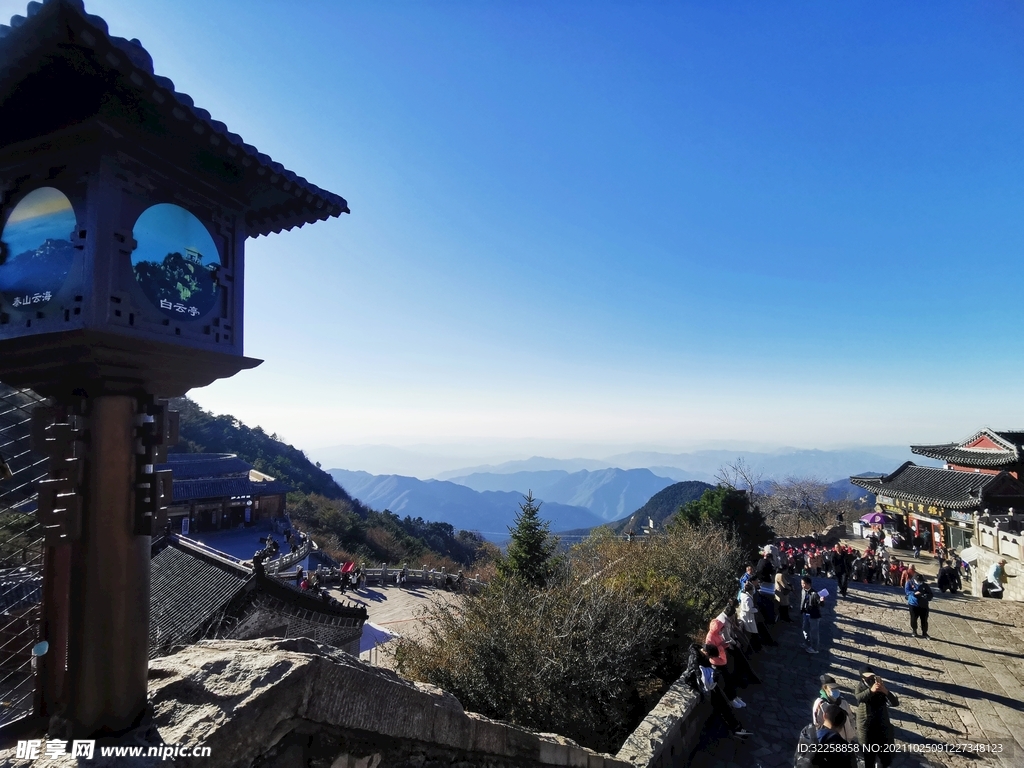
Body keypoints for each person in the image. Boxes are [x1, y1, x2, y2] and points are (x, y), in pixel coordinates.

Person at [695, 644, 753, 738]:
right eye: (710, 656)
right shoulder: (695, 659)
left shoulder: (701, 655)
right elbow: (696, 675)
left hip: (712, 684)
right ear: (706, 653)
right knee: (721, 707)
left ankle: (736, 727)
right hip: (708, 688)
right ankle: (734, 729)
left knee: (723, 705)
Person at [854, 665, 899, 768]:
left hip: (881, 726)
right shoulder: (860, 687)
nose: (870, 679)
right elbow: (859, 697)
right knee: (869, 756)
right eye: (868, 677)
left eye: (872, 677)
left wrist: (885, 692)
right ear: (863, 678)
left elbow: (895, 703)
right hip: (867, 727)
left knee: (886, 757)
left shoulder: (880, 686)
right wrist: (871, 691)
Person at [812, 674, 857, 745]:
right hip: (831, 742)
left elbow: (851, 717)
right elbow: (818, 725)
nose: (835, 690)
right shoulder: (820, 704)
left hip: (846, 741)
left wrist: (852, 731)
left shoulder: (843, 702)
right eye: (832, 688)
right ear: (825, 688)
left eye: (836, 688)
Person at [906, 572, 932, 638]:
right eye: (918, 581)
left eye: (920, 581)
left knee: (924, 619)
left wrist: (926, 596)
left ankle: (924, 632)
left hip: (924, 605)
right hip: (913, 604)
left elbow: (931, 594)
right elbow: (907, 591)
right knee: (913, 618)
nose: (919, 582)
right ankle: (914, 630)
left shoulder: (925, 586)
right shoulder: (909, 583)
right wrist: (914, 593)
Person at [800, 576, 822, 654]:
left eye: (803, 583)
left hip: (813, 616)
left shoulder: (814, 593)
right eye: (801, 583)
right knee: (805, 629)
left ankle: (815, 648)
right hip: (805, 613)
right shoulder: (803, 591)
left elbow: (821, 604)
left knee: (814, 632)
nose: (802, 585)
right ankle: (807, 643)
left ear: (808, 584)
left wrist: (822, 601)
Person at [738, 581, 761, 652]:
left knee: (752, 632)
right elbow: (748, 609)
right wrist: (756, 610)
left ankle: (755, 646)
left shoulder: (744, 594)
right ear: (750, 590)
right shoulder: (747, 598)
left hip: (747, 616)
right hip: (748, 617)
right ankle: (755, 647)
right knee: (752, 632)